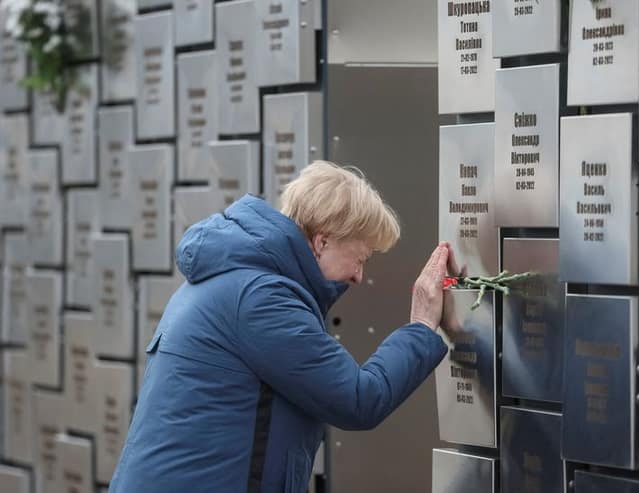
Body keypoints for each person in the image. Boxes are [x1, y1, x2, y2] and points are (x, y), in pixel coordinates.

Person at [109, 161, 456, 493]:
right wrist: (422, 326)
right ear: (323, 242)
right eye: (360, 258)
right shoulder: (261, 300)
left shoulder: (235, 280)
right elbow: (359, 399)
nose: (359, 276)